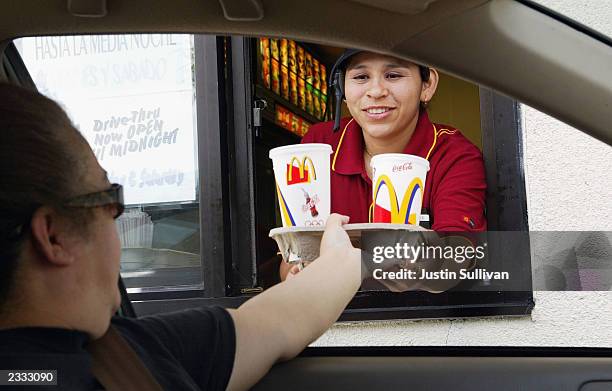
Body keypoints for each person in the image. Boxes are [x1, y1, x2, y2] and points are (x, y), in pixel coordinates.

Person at [0, 83, 362, 390]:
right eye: (110, 200)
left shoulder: (120, 350)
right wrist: (342, 252)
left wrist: (338, 259)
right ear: (54, 235)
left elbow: (281, 318)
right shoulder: (133, 355)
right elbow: (279, 323)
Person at [281, 49, 487, 280]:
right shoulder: (319, 145)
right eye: (360, 77)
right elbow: (292, 257)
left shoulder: (455, 155)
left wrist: (352, 267)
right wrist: (298, 274)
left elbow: (456, 258)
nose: (376, 91)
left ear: (427, 85)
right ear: (342, 88)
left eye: (393, 75)